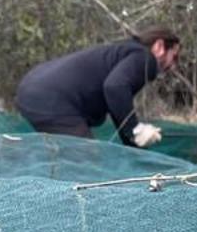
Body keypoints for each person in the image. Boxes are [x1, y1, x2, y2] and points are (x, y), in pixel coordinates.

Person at [14, 28, 181, 146]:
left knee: (67, 154)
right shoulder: (144, 58)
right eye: (174, 57)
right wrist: (136, 131)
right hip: (50, 98)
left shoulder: (125, 53)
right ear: (159, 47)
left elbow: (117, 102)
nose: (173, 66)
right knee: (85, 156)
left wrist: (132, 141)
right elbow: (115, 87)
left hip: (32, 88)